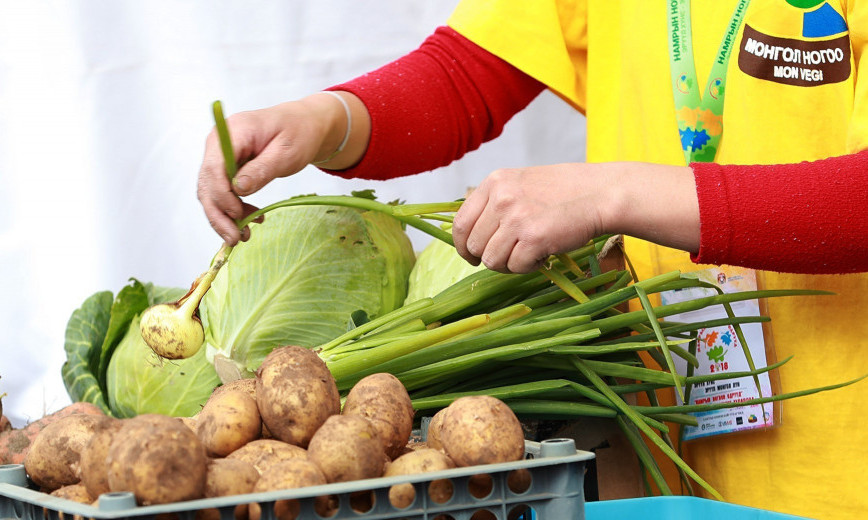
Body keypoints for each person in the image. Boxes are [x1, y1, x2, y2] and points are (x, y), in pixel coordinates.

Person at [197, 1, 868, 517]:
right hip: (663, 446)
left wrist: (613, 192)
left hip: (842, 468)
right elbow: (469, 74)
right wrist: (329, 119)